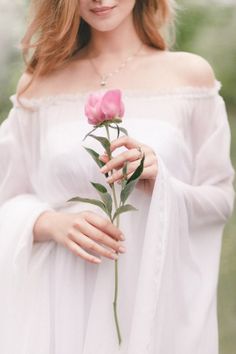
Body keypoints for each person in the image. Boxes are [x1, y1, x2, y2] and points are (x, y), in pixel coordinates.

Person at [0, 0, 235, 353]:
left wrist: (162, 180)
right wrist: (48, 223)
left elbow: (220, 199)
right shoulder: (39, 83)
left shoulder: (189, 75)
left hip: (149, 302)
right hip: (59, 310)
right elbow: (8, 196)